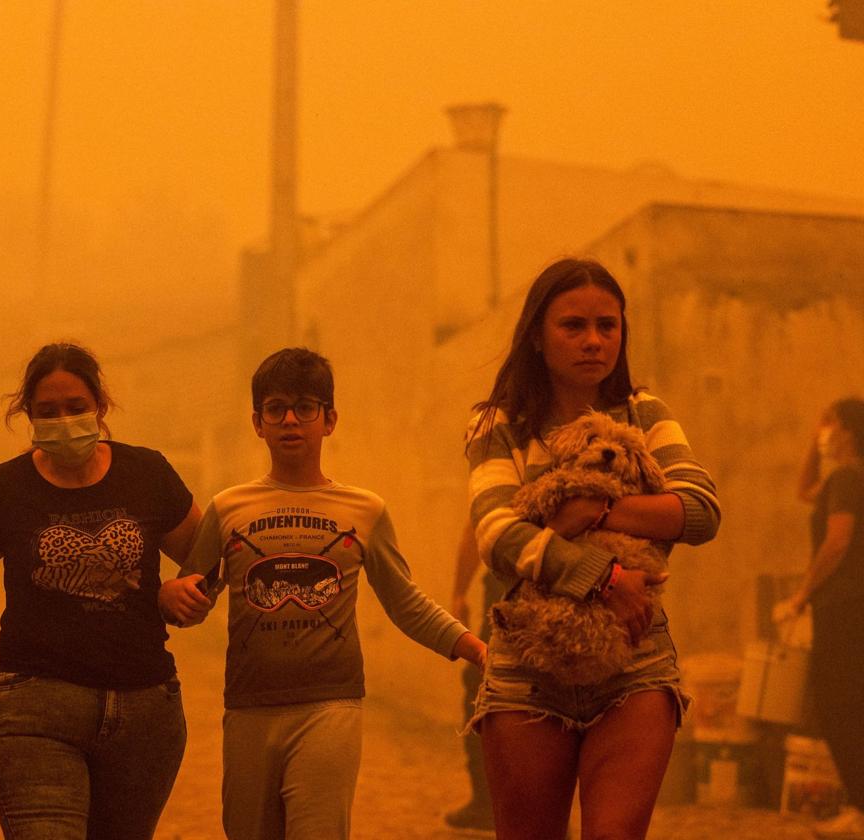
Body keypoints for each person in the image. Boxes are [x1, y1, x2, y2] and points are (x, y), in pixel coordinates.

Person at [160, 346, 486, 840]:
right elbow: (195, 595)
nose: (290, 420)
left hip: (331, 705)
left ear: (329, 420)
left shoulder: (366, 510)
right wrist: (174, 598)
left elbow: (405, 602)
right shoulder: (227, 509)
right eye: (276, 409)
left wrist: (474, 648)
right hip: (248, 705)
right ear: (257, 422)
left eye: (305, 408)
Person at [465, 258, 720, 840]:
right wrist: (604, 575)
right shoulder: (495, 424)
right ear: (536, 334)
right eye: (573, 325)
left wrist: (597, 511)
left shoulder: (645, 413)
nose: (593, 341)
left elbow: (701, 511)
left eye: (608, 326)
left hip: (635, 660)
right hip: (527, 664)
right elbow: (498, 535)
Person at [0, 341, 201, 840]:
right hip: (37, 710)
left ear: (100, 407)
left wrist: (179, 591)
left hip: (146, 709)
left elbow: (205, 555)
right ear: (29, 417)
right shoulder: (2, 490)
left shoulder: (147, 473)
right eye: (48, 411)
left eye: (76, 407)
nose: (64, 420)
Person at [773, 398, 864, 839]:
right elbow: (804, 490)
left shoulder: (847, 478)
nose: (823, 429)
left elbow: (838, 542)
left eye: (829, 422)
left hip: (844, 607)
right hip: (850, 608)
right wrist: (813, 443)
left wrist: (802, 595)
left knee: (837, 706)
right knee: (849, 705)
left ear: (847, 430)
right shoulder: (843, 479)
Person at [443, 513, 502, 833]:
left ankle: (487, 802)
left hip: (511, 588)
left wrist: (459, 591)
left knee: (485, 688)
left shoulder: (506, 462)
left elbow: (478, 521)